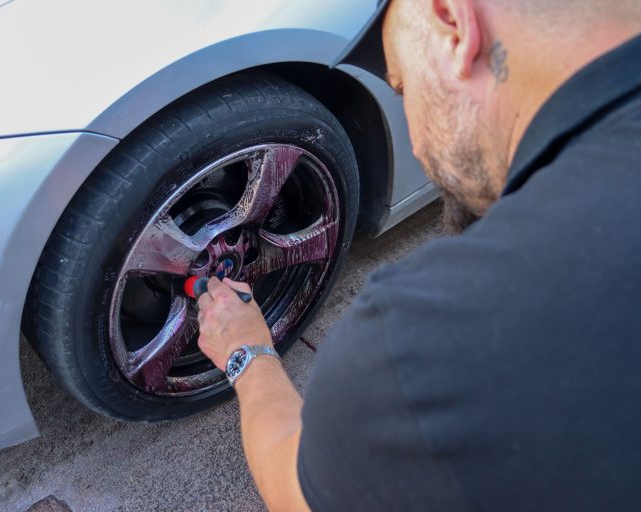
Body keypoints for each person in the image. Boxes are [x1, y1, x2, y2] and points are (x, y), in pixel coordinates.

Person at [196, 0, 641, 510]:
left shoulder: (434, 341)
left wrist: (248, 354)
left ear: (455, 23)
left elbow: (295, 488)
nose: (416, 148)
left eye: (402, 86)